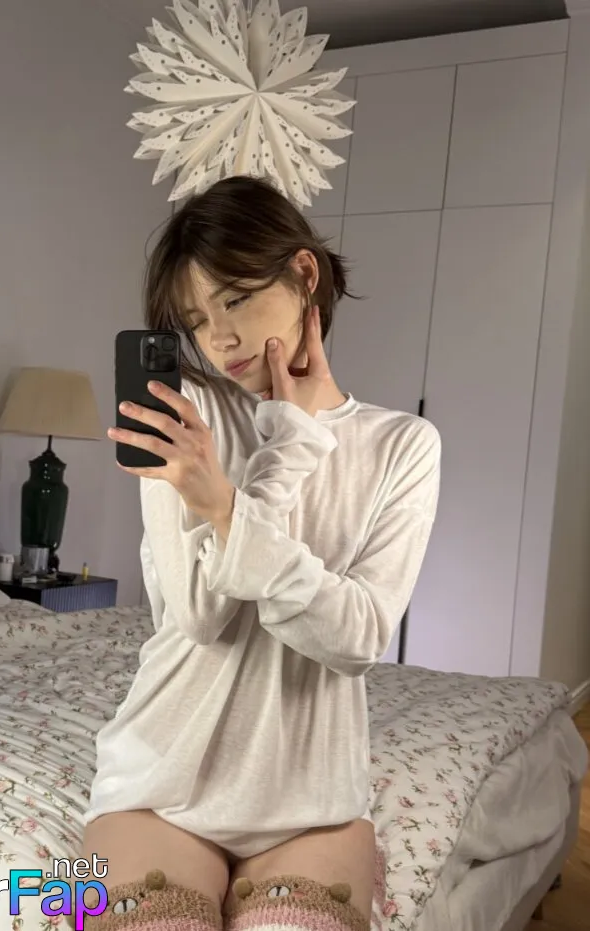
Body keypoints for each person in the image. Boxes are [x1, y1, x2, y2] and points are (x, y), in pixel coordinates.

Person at [81, 176, 441, 931]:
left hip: (314, 802)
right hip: (156, 786)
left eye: (237, 299)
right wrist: (285, 453)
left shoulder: (404, 445)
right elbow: (199, 615)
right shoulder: (189, 414)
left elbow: (355, 639)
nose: (219, 339)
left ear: (304, 274)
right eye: (196, 320)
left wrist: (228, 503)